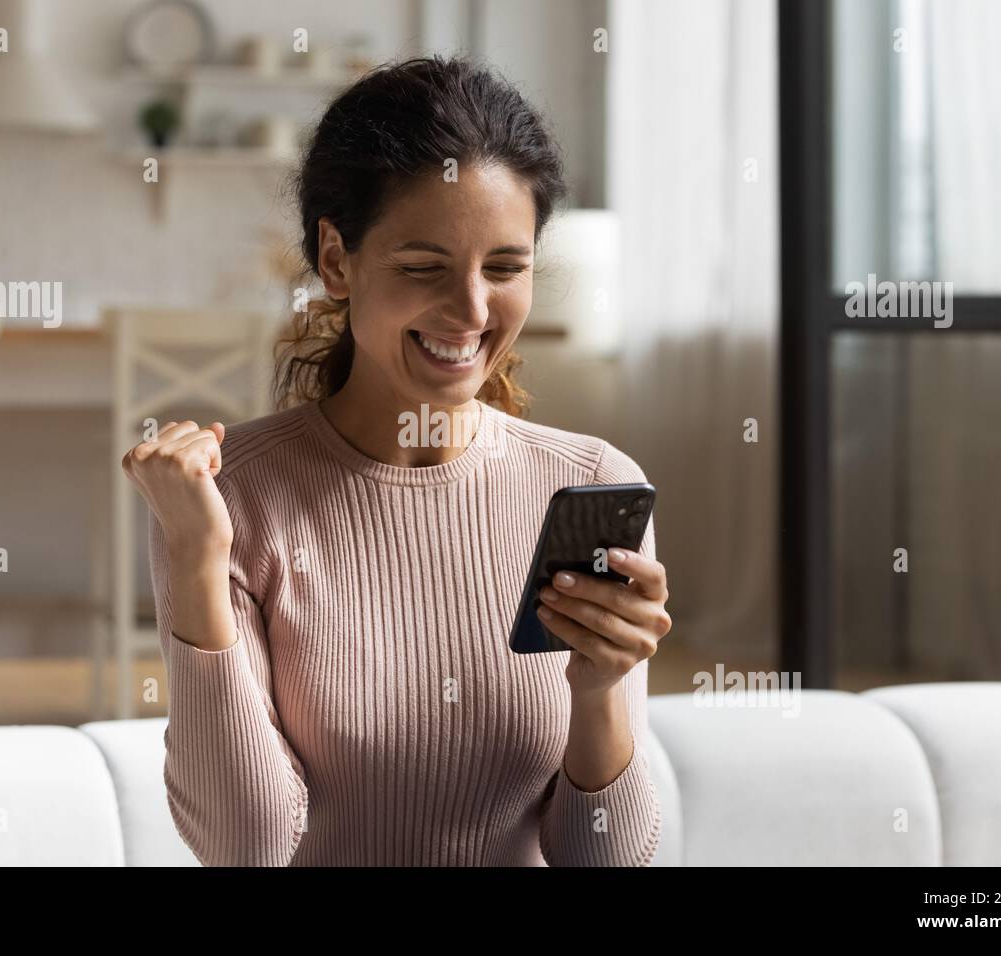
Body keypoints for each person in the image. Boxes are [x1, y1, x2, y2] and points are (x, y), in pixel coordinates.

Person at [121, 55, 673, 866]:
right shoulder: (227, 498)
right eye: (424, 268)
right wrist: (200, 560)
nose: (473, 311)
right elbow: (249, 847)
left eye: (506, 268)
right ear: (338, 262)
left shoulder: (589, 485)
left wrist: (598, 692)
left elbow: (606, 861)